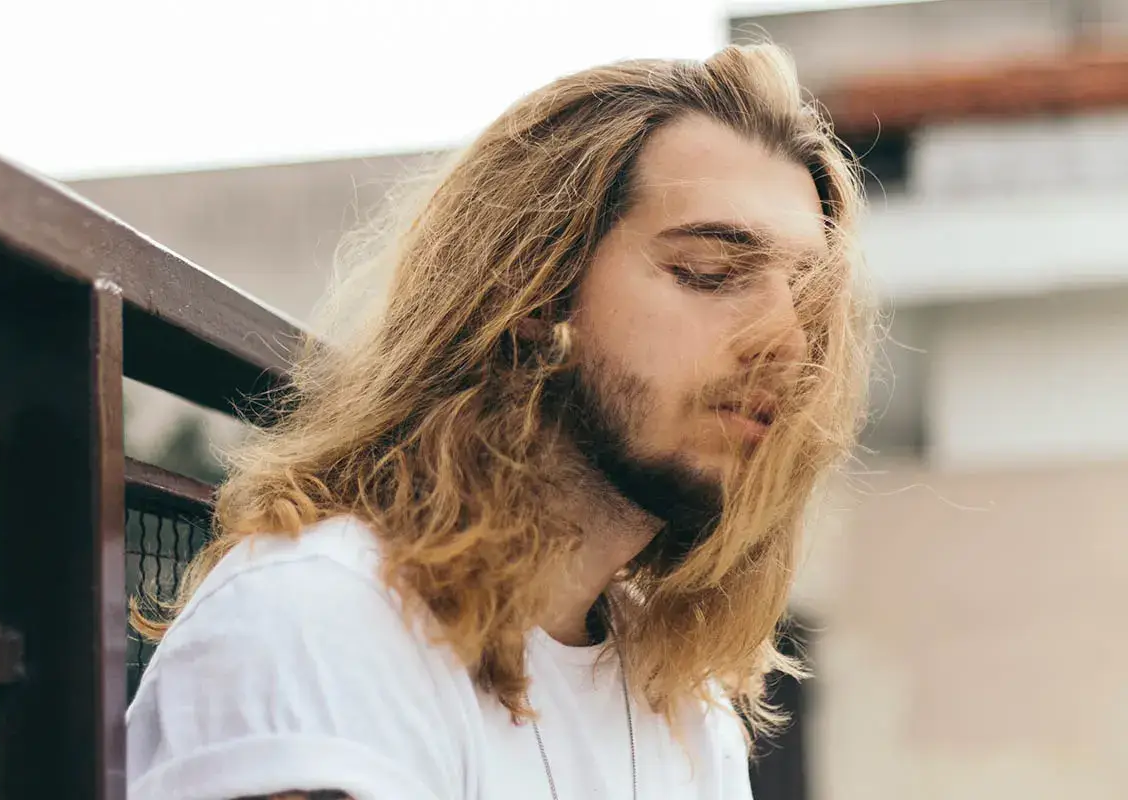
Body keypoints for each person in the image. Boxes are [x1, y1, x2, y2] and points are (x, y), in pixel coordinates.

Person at [126, 42, 872, 800]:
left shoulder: (682, 705)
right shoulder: (319, 618)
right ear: (534, 287)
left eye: (808, 304)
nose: (789, 345)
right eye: (710, 273)